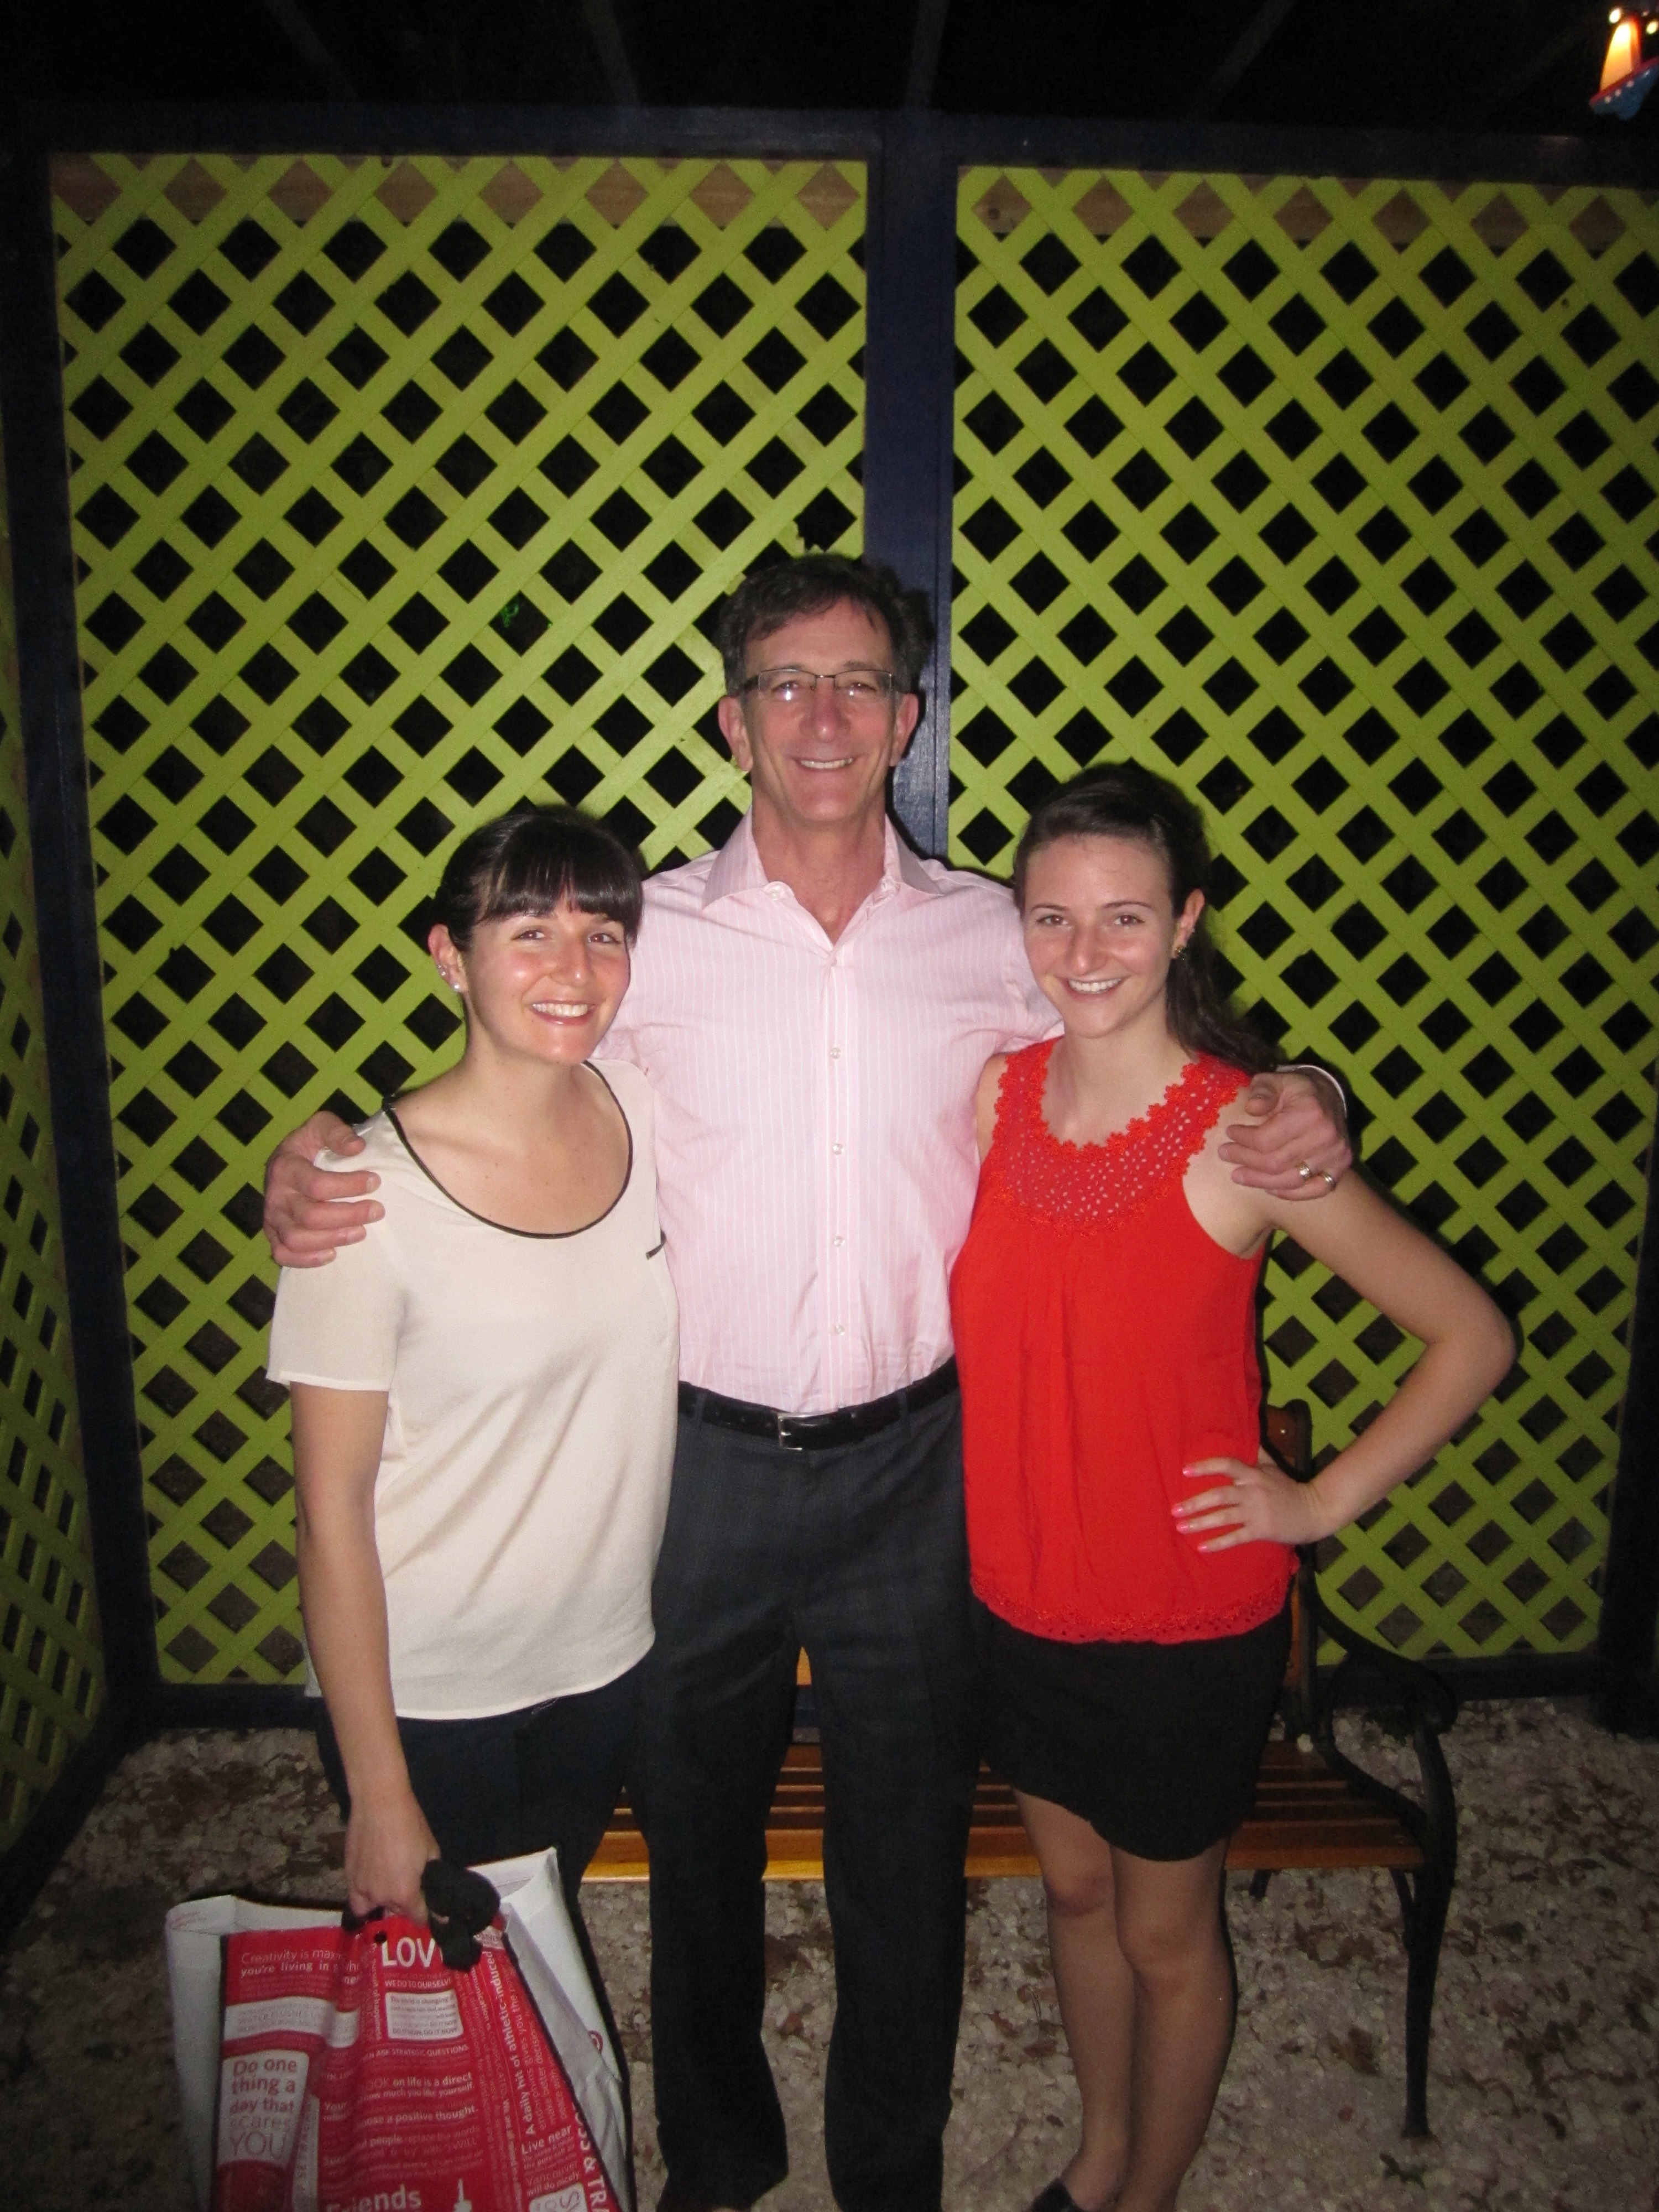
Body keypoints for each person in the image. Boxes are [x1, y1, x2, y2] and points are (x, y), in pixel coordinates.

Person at [263, 555, 1352, 2212]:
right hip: (701, 1470)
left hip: (919, 1467)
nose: (824, 717)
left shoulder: (994, 933)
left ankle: (888, 2171)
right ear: (734, 720)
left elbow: (1157, 1029)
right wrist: (326, 1151)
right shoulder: (650, 941)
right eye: (788, 683)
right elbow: (503, 1065)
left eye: (859, 684)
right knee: (697, 1840)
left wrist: (1307, 1085)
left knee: (905, 1850)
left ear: (907, 719)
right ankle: (719, 2161)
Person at [950, 764, 1515, 2212]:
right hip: (1018, 1598)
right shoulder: (995, 1098)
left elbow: (1470, 1335)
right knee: (1075, 1893)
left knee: (1166, 1932)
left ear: (1187, 921)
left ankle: (1151, 2192)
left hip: (1181, 1622)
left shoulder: (1244, 1137)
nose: (1086, 951)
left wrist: (1319, 1502)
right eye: (1054, 918)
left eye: (1126, 916)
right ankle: (1099, 2154)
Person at [267, 805, 678, 1963]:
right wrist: (380, 1791)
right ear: (451, 955)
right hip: (434, 1691)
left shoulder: (642, 1110)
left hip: (603, 1658)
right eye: (529, 931)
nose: (572, 969)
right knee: (445, 1996)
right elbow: (331, 1513)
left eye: (602, 934)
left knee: (536, 1950)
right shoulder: (363, 1198)